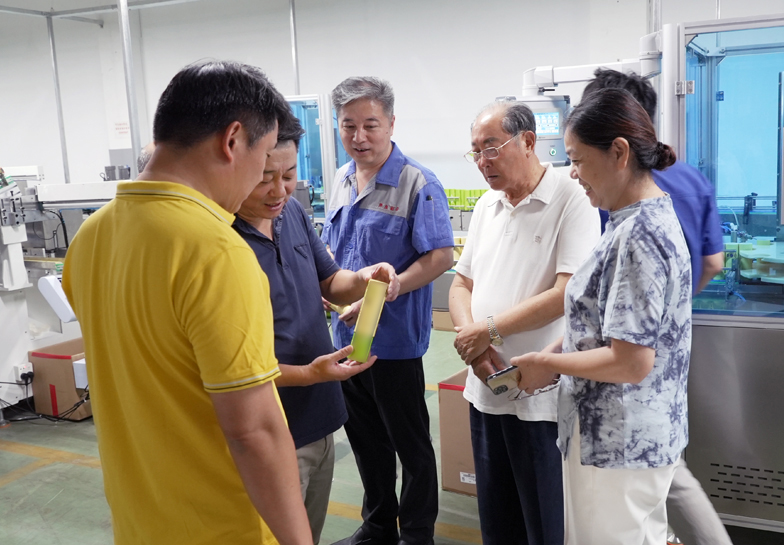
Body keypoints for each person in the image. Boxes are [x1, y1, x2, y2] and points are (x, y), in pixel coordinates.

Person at [62, 61, 312, 545]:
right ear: (232, 140)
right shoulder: (215, 250)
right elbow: (253, 432)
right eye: (263, 158)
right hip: (222, 527)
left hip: (140, 522)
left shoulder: (91, 235)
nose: (260, 180)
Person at [516, 88, 691, 545]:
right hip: (625, 438)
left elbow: (631, 362)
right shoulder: (632, 220)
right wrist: (559, 349)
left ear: (618, 152)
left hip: (617, 442)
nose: (572, 174)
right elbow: (606, 325)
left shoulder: (640, 234)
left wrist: (547, 364)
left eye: (577, 160)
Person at [232, 113, 400, 545]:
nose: (279, 190)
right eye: (265, 178)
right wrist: (309, 373)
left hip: (320, 415)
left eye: (289, 176)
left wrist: (364, 277)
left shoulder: (292, 213)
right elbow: (231, 369)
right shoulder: (221, 241)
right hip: (269, 427)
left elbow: (331, 282)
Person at [581, 68, 730, 545]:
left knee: (654, 483)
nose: (576, 172)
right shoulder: (686, 180)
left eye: (579, 158)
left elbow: (626, 351)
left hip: (625, 389)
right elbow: (714, 261)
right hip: (666, 360)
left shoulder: (626, 205)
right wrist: (672, 309)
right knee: (665, 476)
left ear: (616, 142)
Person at [448, 101, 600, 545]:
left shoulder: (571, 198)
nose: (483, 161)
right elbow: (461, 284)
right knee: (497, 521)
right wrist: (473, 344)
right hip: (485, 389)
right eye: (476, 151)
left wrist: (488, 331)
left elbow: (566, 292)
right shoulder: (486, 205)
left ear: (528, 141)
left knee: (545, 522)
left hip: (539, 399)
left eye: (491, 148)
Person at [322, 76, 454, 545]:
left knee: (410, 445)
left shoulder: (418, 182)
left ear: (391, 124)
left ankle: (416, 534)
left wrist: (389, 289)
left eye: (370, 125)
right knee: (365, 438)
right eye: (348, 126)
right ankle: (378, 526)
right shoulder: (341, 179)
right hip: (345, 339)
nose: (359, 137)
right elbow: (332, 249)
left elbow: (440, 256)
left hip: (393, 340)